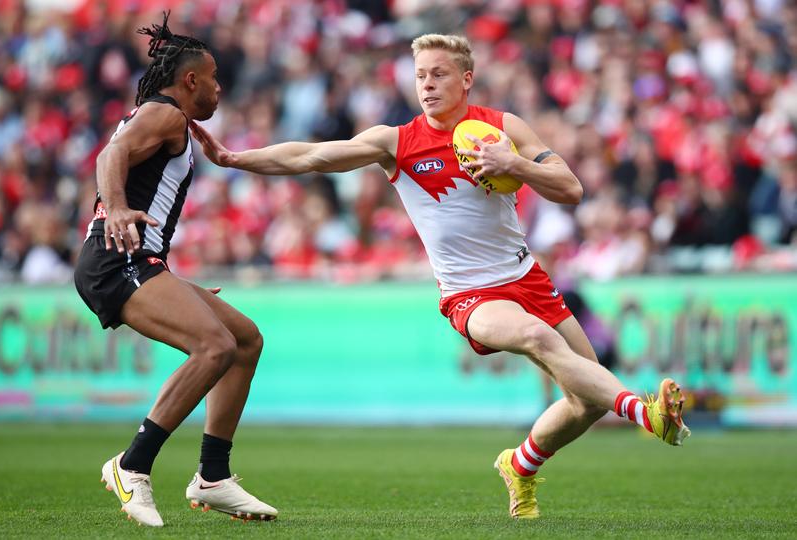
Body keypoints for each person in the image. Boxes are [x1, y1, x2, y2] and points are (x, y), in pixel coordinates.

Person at [191, 34, 690, 519]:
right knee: (538, 339)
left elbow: (572, 188)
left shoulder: (502, 126)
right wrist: (235, 158)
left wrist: (512, 161)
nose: (426, 84)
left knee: (585, 403)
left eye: (438, 74)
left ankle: (519, 466)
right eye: (420, 76)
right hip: (470, 293)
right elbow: (314, 155)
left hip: (528, 278)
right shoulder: (399, 142)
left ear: (467, 79)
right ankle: (647, 415)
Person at [73, 13, 277, 527]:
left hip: (141, 260)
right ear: (190, 80)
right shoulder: (163, 115)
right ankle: (131, 466)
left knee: (244, 339)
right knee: (215, 347)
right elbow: (110, 153)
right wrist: (115, 207)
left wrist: (170, 280)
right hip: (116, 259)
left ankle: (213, 476)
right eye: (212, 78)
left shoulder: (172, 123)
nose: (218, 87)